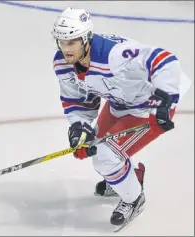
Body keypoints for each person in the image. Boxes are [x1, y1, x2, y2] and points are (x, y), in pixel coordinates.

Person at [51, 7, 192, 230]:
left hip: (148, 107)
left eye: (72, 42)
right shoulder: (62, 63)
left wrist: (164, 101)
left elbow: (164, 60)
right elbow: (78, 101)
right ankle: (129, 176)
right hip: (119, 102)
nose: (66, 48)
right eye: (61, 41)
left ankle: (133, 199)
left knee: (105, 158)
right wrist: (80, 127)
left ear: (86, 38)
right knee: (92, 146)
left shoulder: (115, 55)